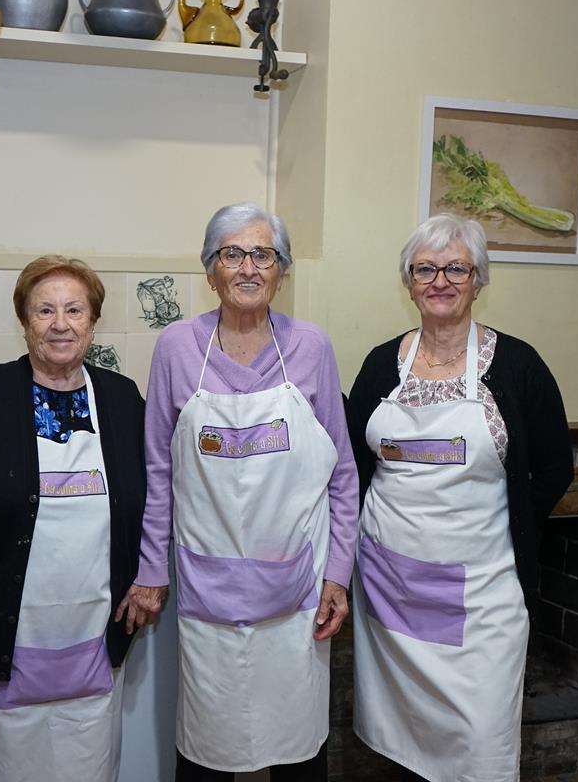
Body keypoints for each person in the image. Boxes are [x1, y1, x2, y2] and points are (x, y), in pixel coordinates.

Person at [116, 202, 358, 781]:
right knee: (207, 746)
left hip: (298, 593)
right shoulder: (176, 347)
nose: (248, 267)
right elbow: (158, 472)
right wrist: (152, 571)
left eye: (262, 254)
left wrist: (338, 576)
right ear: (210, 269)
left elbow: (342, 474)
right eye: (232, 254)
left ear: (282, 270)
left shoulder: (312, 348)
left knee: (299, 747)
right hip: (209, 592)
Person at [346, 213, 574, 782]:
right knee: (403, 739)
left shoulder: (518, 366)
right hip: (391, 590)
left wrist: (507, 525)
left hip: (483, 598)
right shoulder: (381, 363)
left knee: (480, 741)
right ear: (408, 281)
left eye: (455, 268)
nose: (439, 281)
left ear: (479, 279)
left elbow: (554, 467)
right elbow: (352, 464)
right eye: (425, 269)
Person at [0, 256, 146, 782]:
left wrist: (150, 579)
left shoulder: (122, 399)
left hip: (92, 638)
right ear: (25, 321)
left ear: (92, 320)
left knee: (87, 765)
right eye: (45, 310)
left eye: (74, 310)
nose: (60, 323)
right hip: (0, 634)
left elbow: (155, 496)